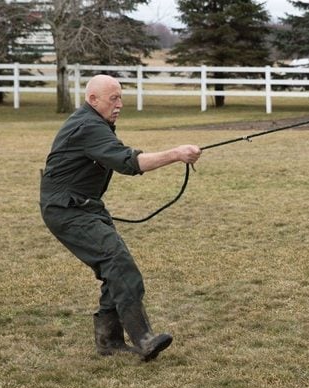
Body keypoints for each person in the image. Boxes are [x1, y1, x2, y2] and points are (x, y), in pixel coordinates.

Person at [40, 74, 202, 361]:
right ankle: (144, 338)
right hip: (67, 210)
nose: (120, 104)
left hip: (84, 206)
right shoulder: (88, 126)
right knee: (118, 261)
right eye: (113, 98)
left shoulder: (94, 123)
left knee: (112, 266)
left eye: (121, 97)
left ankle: (109, 341)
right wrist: (177, 153)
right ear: (93, 100)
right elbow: (130, 162)